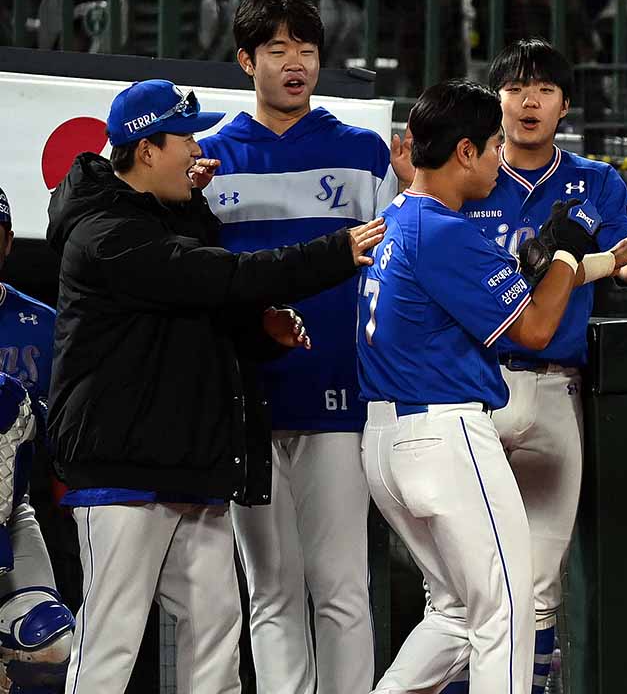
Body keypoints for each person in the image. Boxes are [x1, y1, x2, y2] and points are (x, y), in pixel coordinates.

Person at [45, 79, 385, 694]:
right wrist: (333, 252)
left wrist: (261, 333)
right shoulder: (105, 231)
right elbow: (218, 277)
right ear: (147, 149)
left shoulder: (166, 214)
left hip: (186, 465)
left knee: (215, 634)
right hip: (121, 469)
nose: (197, 151)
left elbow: (202, 318)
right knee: (110, 644)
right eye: (184, 138)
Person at [357, 78, 627, 694]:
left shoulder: (401, 218)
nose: (500, 156)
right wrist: (568, 252)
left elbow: (519, 279)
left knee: (457, 612)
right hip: (444, 434)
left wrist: (598, 261)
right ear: (464, 151)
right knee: (508, 610)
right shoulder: (444, 230)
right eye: (492, 145)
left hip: (387, 437)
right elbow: (538, 328)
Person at [196, 0, 409, 693]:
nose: (296, 63)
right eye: (279, 49)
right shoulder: (207, 161)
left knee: (342, 586)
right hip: (245, 407)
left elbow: (394, 274)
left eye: (308, 50)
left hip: (339, 401)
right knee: (271, 592)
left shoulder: (363, 152)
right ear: (245, 60)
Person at [452, 37, 627, 693]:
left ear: (565, 105)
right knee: (464, 584)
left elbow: (625, 262)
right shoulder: (469, 175)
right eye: (516, 88)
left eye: (544, 90)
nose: (529, 101)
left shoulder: (595, 182)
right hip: (473, 386)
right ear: (495, 100)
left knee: (541, 585)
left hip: (555, 387)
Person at [0, 188, 76, 694]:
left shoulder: (42, 324)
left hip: (13, 510)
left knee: (49, 643)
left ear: (8, 242)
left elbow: (66, 429)